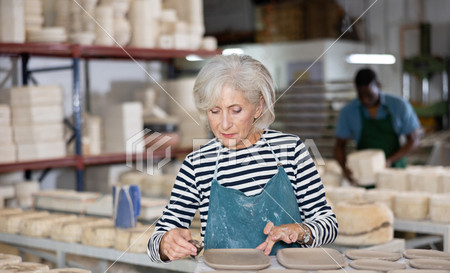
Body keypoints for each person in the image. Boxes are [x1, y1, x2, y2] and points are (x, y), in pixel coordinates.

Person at [147, 54, 338, 262]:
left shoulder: (290, 150)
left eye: (235, 110)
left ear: (258, 107)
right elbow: (155, 242)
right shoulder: (197, 165)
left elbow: (328, 223)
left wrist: (300, 231)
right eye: (214, 111)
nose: (224, 124)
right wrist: (166, 244)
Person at [334, 68, 421, 184]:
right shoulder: (348, 112)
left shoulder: (399, 106)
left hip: (394, 170)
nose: (365, 100)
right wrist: (344, 168)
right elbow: (339, 146)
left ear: (378, 86)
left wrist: (390, 161)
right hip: (364, 174)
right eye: (361, 96)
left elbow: (414, 140)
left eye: (369, 95)